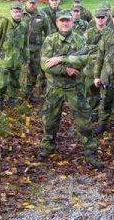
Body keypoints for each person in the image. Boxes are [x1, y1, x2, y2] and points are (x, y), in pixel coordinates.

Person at [40, 10, 104, 169]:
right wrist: (65, 70)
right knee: (50, 120)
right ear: (57, 23)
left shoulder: (80, 39)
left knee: (84, 121)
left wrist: (60, 59)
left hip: (75, 88)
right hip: (55, 87)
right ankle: (47, 147)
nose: (65, 23)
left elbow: (83, 60)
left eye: (67, 20)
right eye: (62, 21)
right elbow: (45, 65)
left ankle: (90, 151)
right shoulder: (50, 40)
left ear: (72, 22)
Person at [93, 8, 114, 135]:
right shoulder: (107, 33)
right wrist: (96, 76)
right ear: (112, 19)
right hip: (107, 75)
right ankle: (102, 124)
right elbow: (100, 56)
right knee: (105, 102)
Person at [0, 1, 29, 110]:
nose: (17, 14)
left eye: (19, 12)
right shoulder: (5, 23)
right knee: (2, 83)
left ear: (22, 13)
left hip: (17, 60)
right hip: (4, 59)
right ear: (11, 12)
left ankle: (13, 99)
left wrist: (26, 59)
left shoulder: (24, 25)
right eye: (15, 11)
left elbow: (25, 44)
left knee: (15, 82)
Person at [22, 0, 49, 103]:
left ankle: (29, 93)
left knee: (33, 72)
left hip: (36, 49)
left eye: (34, 3)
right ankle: (12, 94)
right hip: (21, 48)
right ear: (26, 2)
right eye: (30, 3)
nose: (32, 5)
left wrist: (46, 48)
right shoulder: (20, 13)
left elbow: (48, 33)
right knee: (15, 71)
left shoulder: (42, 16)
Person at [83, 7, 109, 119]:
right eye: (98, 17)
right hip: (90, 68)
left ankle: (104, 114)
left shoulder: (111, 33)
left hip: (106, 68)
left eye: (102, 17)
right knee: (90, 91)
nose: (100, 19)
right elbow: (83, 49)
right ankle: (93, 112)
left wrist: (93, 48)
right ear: (95, 18)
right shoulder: (88, 33)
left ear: (106, 18)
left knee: (105, 93)